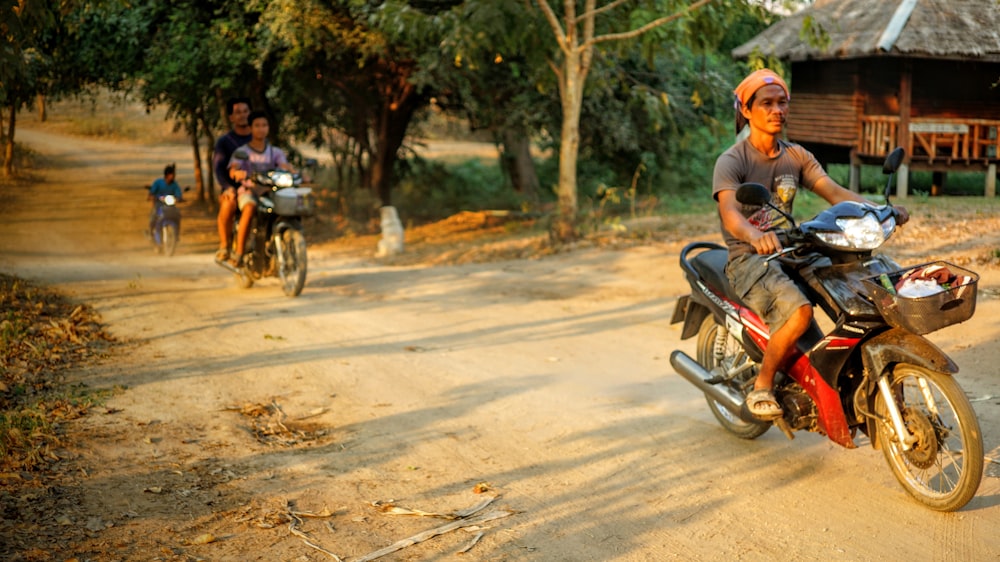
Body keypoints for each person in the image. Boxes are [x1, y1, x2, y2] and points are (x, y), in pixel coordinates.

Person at [712, 68, 909, 420]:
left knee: (857, 288)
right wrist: (755, 236)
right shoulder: (732, 160)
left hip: (794, 246)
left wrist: (880, 211)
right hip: (749, 256)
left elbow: (834, 193)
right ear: (747, 111)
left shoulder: (796, 156)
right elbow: (730, 214)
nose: (777, 111)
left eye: (782, 103)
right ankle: (762, 384)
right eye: (767, 104)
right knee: (800, 312)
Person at [226, 110, 297, 268]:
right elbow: (233, 168)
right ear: (250, 128)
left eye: (264, 125)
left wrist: (296, 172)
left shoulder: (275, 152)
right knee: (250, 208)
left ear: (268, 128)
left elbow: (285, 166)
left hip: (271, 192)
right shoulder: (243, 151)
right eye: (257, 125)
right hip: (249, 192)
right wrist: (237, 172)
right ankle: (239, 252)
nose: (261, 129)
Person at [214, 97, 253, 264]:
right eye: (238, 112)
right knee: (228, 203)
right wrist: (227, 187)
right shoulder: (224, 142)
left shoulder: (259, 138)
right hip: (233, 186)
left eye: (245, 111)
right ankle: (225, 245)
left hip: (257, 186)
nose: (242, 115)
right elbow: (219, 167)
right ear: (231, 117)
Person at [148, 163, 183, 252]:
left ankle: (176, 234)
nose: (174, 176)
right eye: (172, 174)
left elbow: (178, 194)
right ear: (167, 175)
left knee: (178, 216)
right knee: (154, 217)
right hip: (160, 206)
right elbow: (151, 193)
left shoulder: (175, 185)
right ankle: (151, 234)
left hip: (170, 206)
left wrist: (179, 198)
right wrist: (153, 196)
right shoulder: (158, 183)